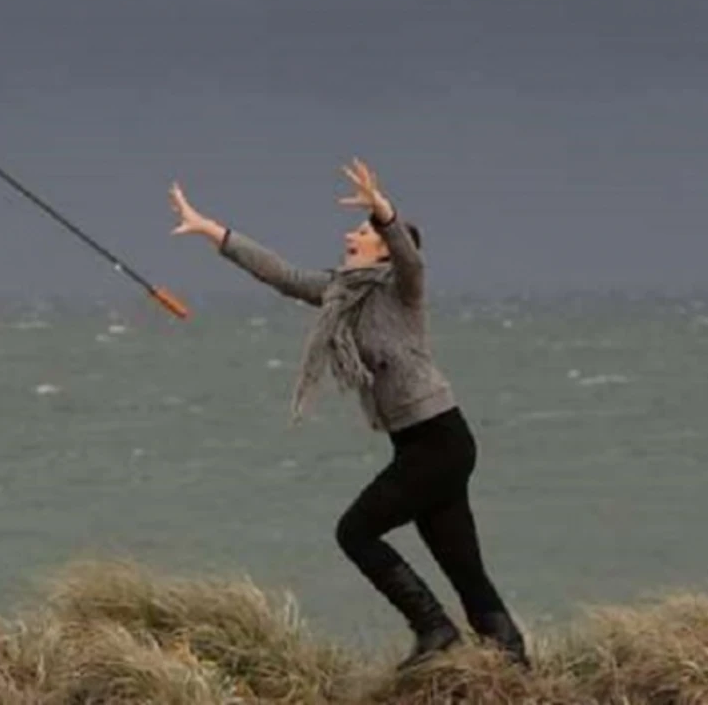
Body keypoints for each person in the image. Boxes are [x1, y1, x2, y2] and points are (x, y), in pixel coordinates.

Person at [167, 159, 529, 670]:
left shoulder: (402, 290)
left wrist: (381, 210)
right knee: (462, 565)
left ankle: (435, 630)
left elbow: (410, 256)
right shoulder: (342, 294)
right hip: (418, 443)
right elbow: (282, 274)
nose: (349, 235)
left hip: (439, 441)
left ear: (384, 247)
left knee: (355, 532)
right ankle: (512, 662)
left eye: (360, 232)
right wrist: (210, 229)